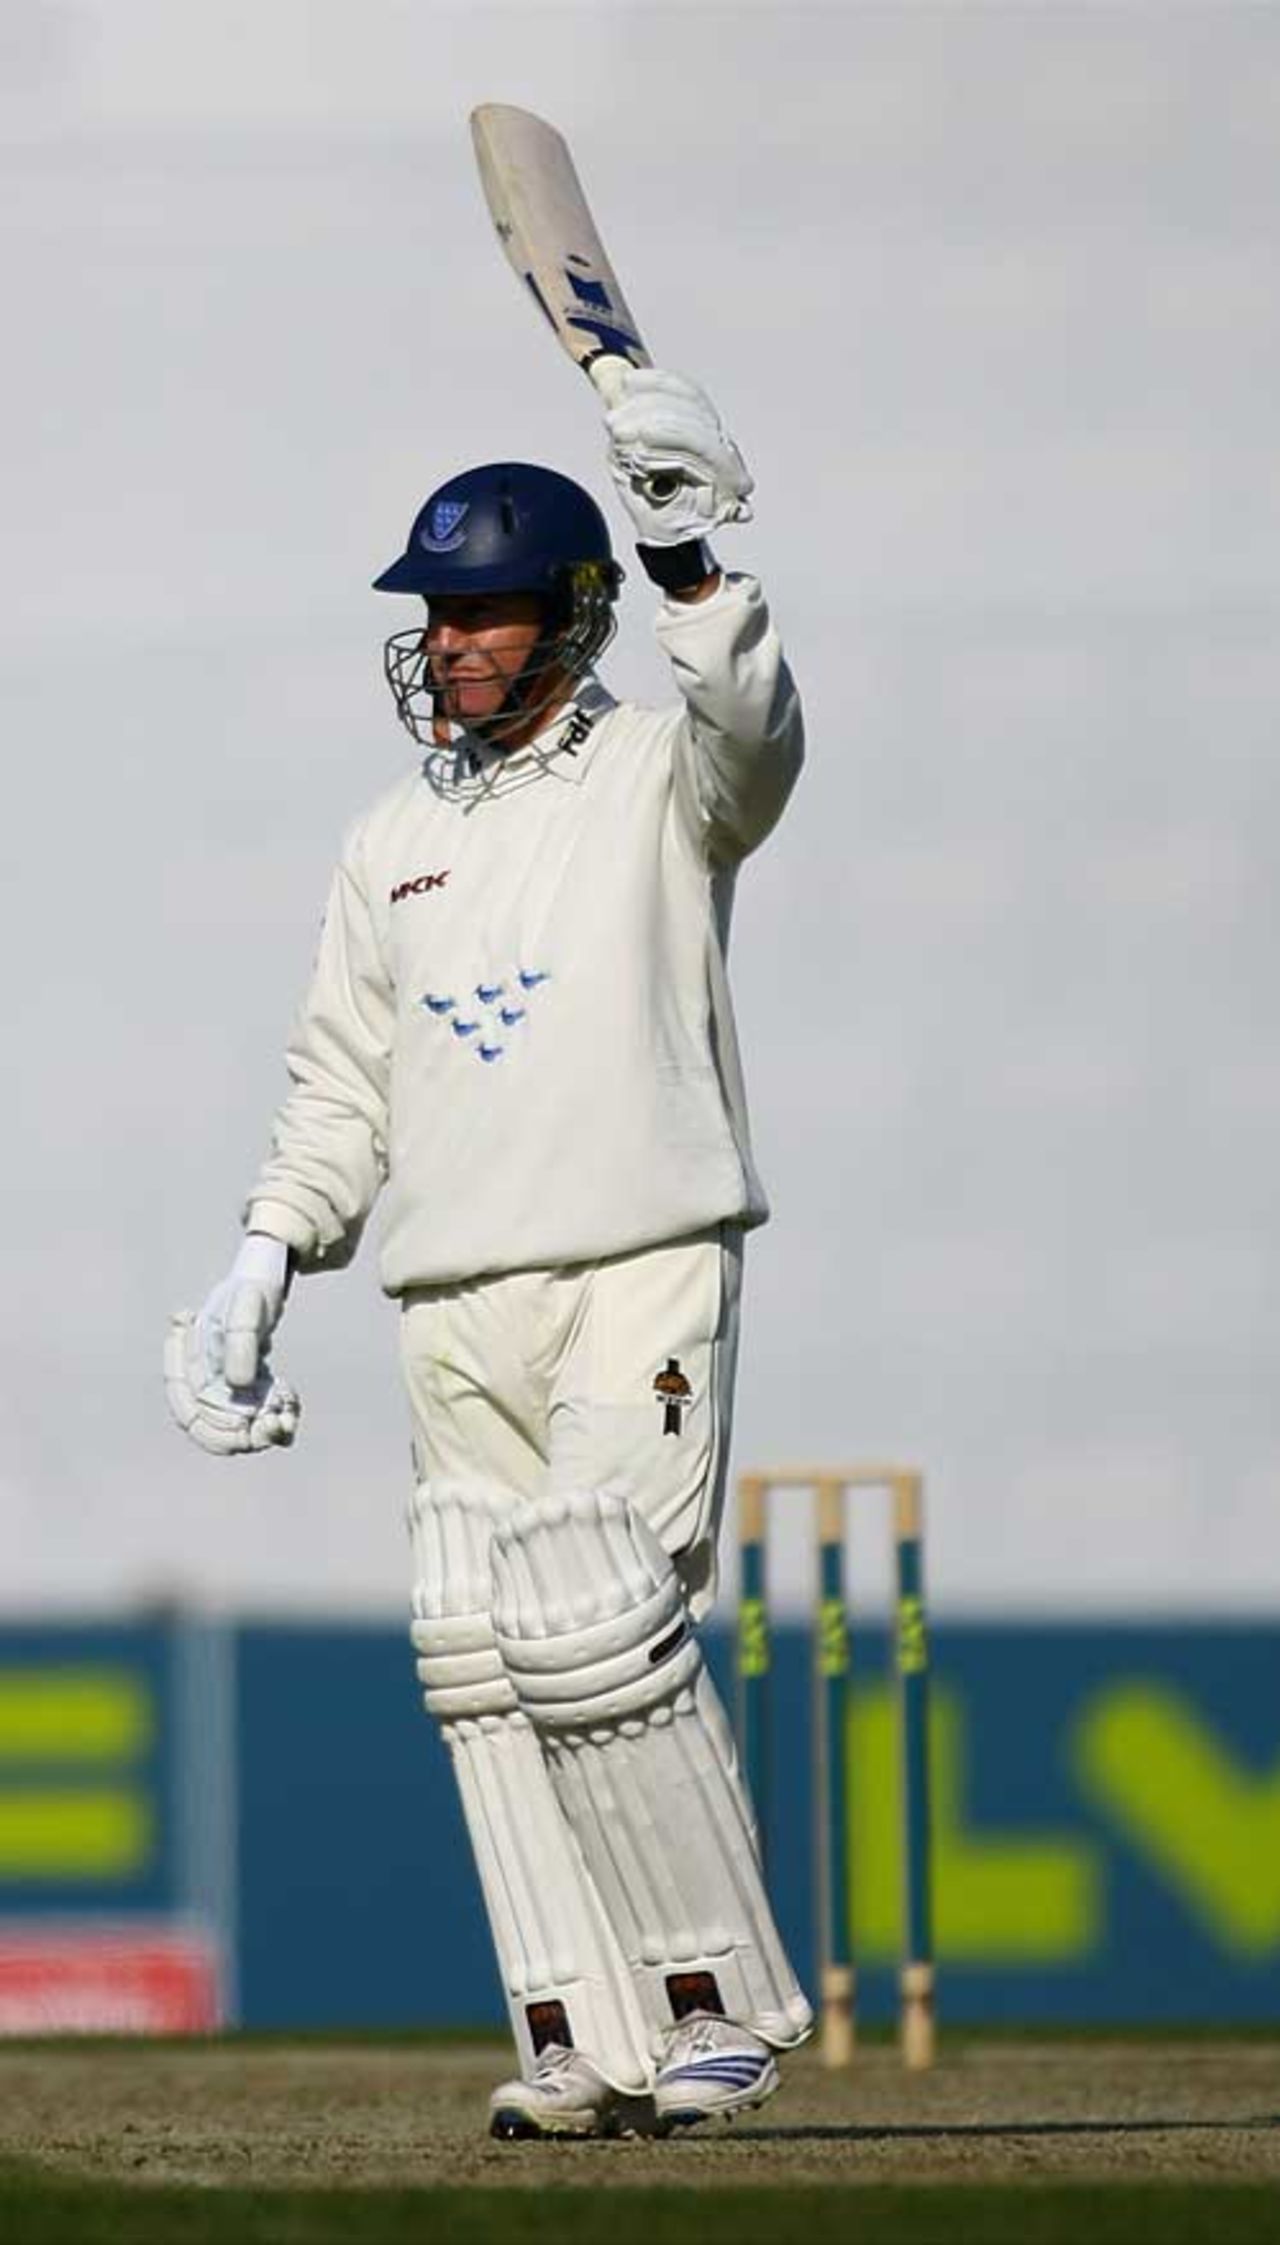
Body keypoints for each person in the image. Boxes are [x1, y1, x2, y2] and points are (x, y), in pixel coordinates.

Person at [165, 367, 812, 2138]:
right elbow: (339, 1089)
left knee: (600, 1615)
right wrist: (260, 1261)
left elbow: (756, 733)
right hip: (453, 1298)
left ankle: (716, 2007)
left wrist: (693, 560)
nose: (447, 643)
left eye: (479, 611)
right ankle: (578, 2030)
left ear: (572, 612)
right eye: (434, 616)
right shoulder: (393, 841)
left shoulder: (667, 779)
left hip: (637, 1261)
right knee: (481, 1642)